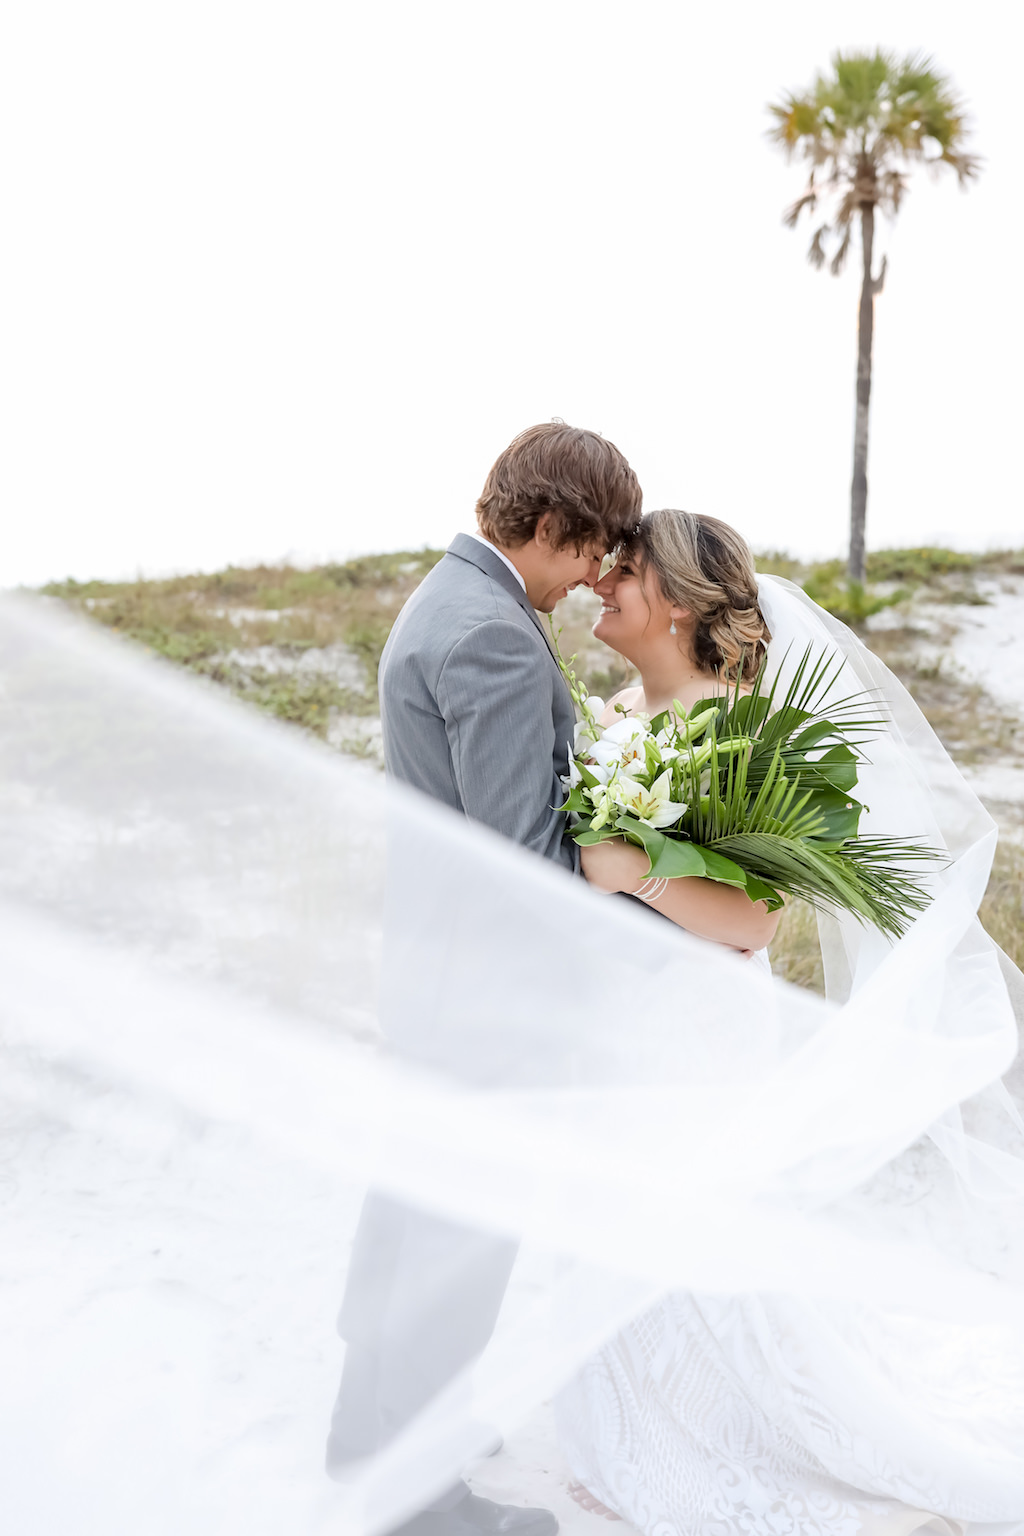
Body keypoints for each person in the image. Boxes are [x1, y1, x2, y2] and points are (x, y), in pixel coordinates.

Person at [556, 508, 1024, 1535]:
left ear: (674, 599)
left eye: (622, 570)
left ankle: (727, 1425)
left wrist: (624, 871)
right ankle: (638, 1416)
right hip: (623, 1015)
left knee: (690, 1212)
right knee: (623, 1211)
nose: (599, 581)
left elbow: (754, 914)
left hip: (700, 1022)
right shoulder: (620, 708)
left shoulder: (750, 731)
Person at [324, 421, 646, 1536]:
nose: (596, 578)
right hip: (489, 995)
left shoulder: (444, 600)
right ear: (551, 525)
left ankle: (367, 1428)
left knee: (411, 1200)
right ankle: (421, 1500)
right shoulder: (498, 638)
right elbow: (523, 858)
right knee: (460, 1234)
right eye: (593, 552)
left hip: (432, 971)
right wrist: (642, 890)